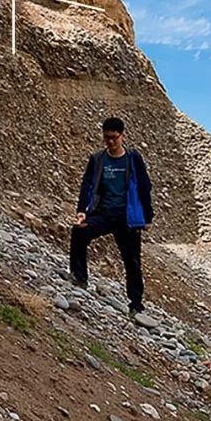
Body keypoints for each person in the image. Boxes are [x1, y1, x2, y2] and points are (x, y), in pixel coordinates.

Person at [70, 117, 153, 315]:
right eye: (106, 138)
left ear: (122, 136)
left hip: (127, 217)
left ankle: (136, 304)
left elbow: (144, 186)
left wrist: (148, 216)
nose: (110, 142)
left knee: (132, 260)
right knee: (79, 233)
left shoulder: (133, 159)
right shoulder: (98, 159)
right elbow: (87, 185)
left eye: (114, 138)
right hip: (104, 213)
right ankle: (80, 278)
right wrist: (82, 210)